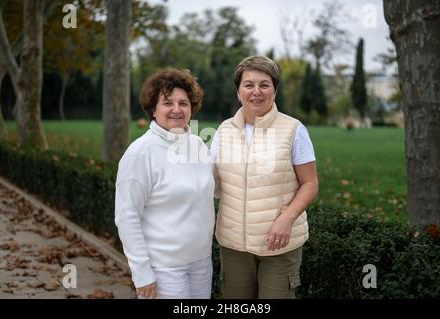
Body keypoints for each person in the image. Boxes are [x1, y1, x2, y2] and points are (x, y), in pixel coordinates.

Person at [210, 56, 319, 299]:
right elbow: (208, 182)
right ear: (239, 92)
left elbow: (310, 184)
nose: (256, 92)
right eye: (248, 85)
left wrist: (287, 219)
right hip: (233, 244)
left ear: (274, 91)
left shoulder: (293, 130)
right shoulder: (223, 131)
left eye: (264, 85)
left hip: (279, 243)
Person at [115, 68, 215, 299]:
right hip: (163, 268)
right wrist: (142, 274)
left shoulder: (198, 145)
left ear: (192, 108)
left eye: (183, 103)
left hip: (201, 263)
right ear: (153, 108)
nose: (176, 109)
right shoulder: (140, 153)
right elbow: (126, 216)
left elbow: (212, 189)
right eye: (168, 103)